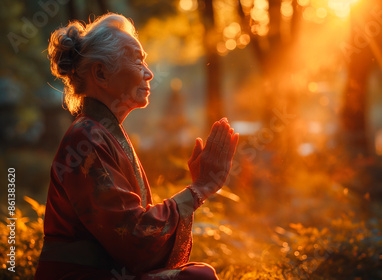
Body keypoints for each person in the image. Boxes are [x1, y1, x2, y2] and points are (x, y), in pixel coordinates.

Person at [34, 13, 238, 280]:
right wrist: (199, 189)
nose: (149, 72)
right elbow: (134, 239)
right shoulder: (86, 138)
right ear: (101, 73)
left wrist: (199, 187)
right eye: (137, 60)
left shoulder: (99, 133)